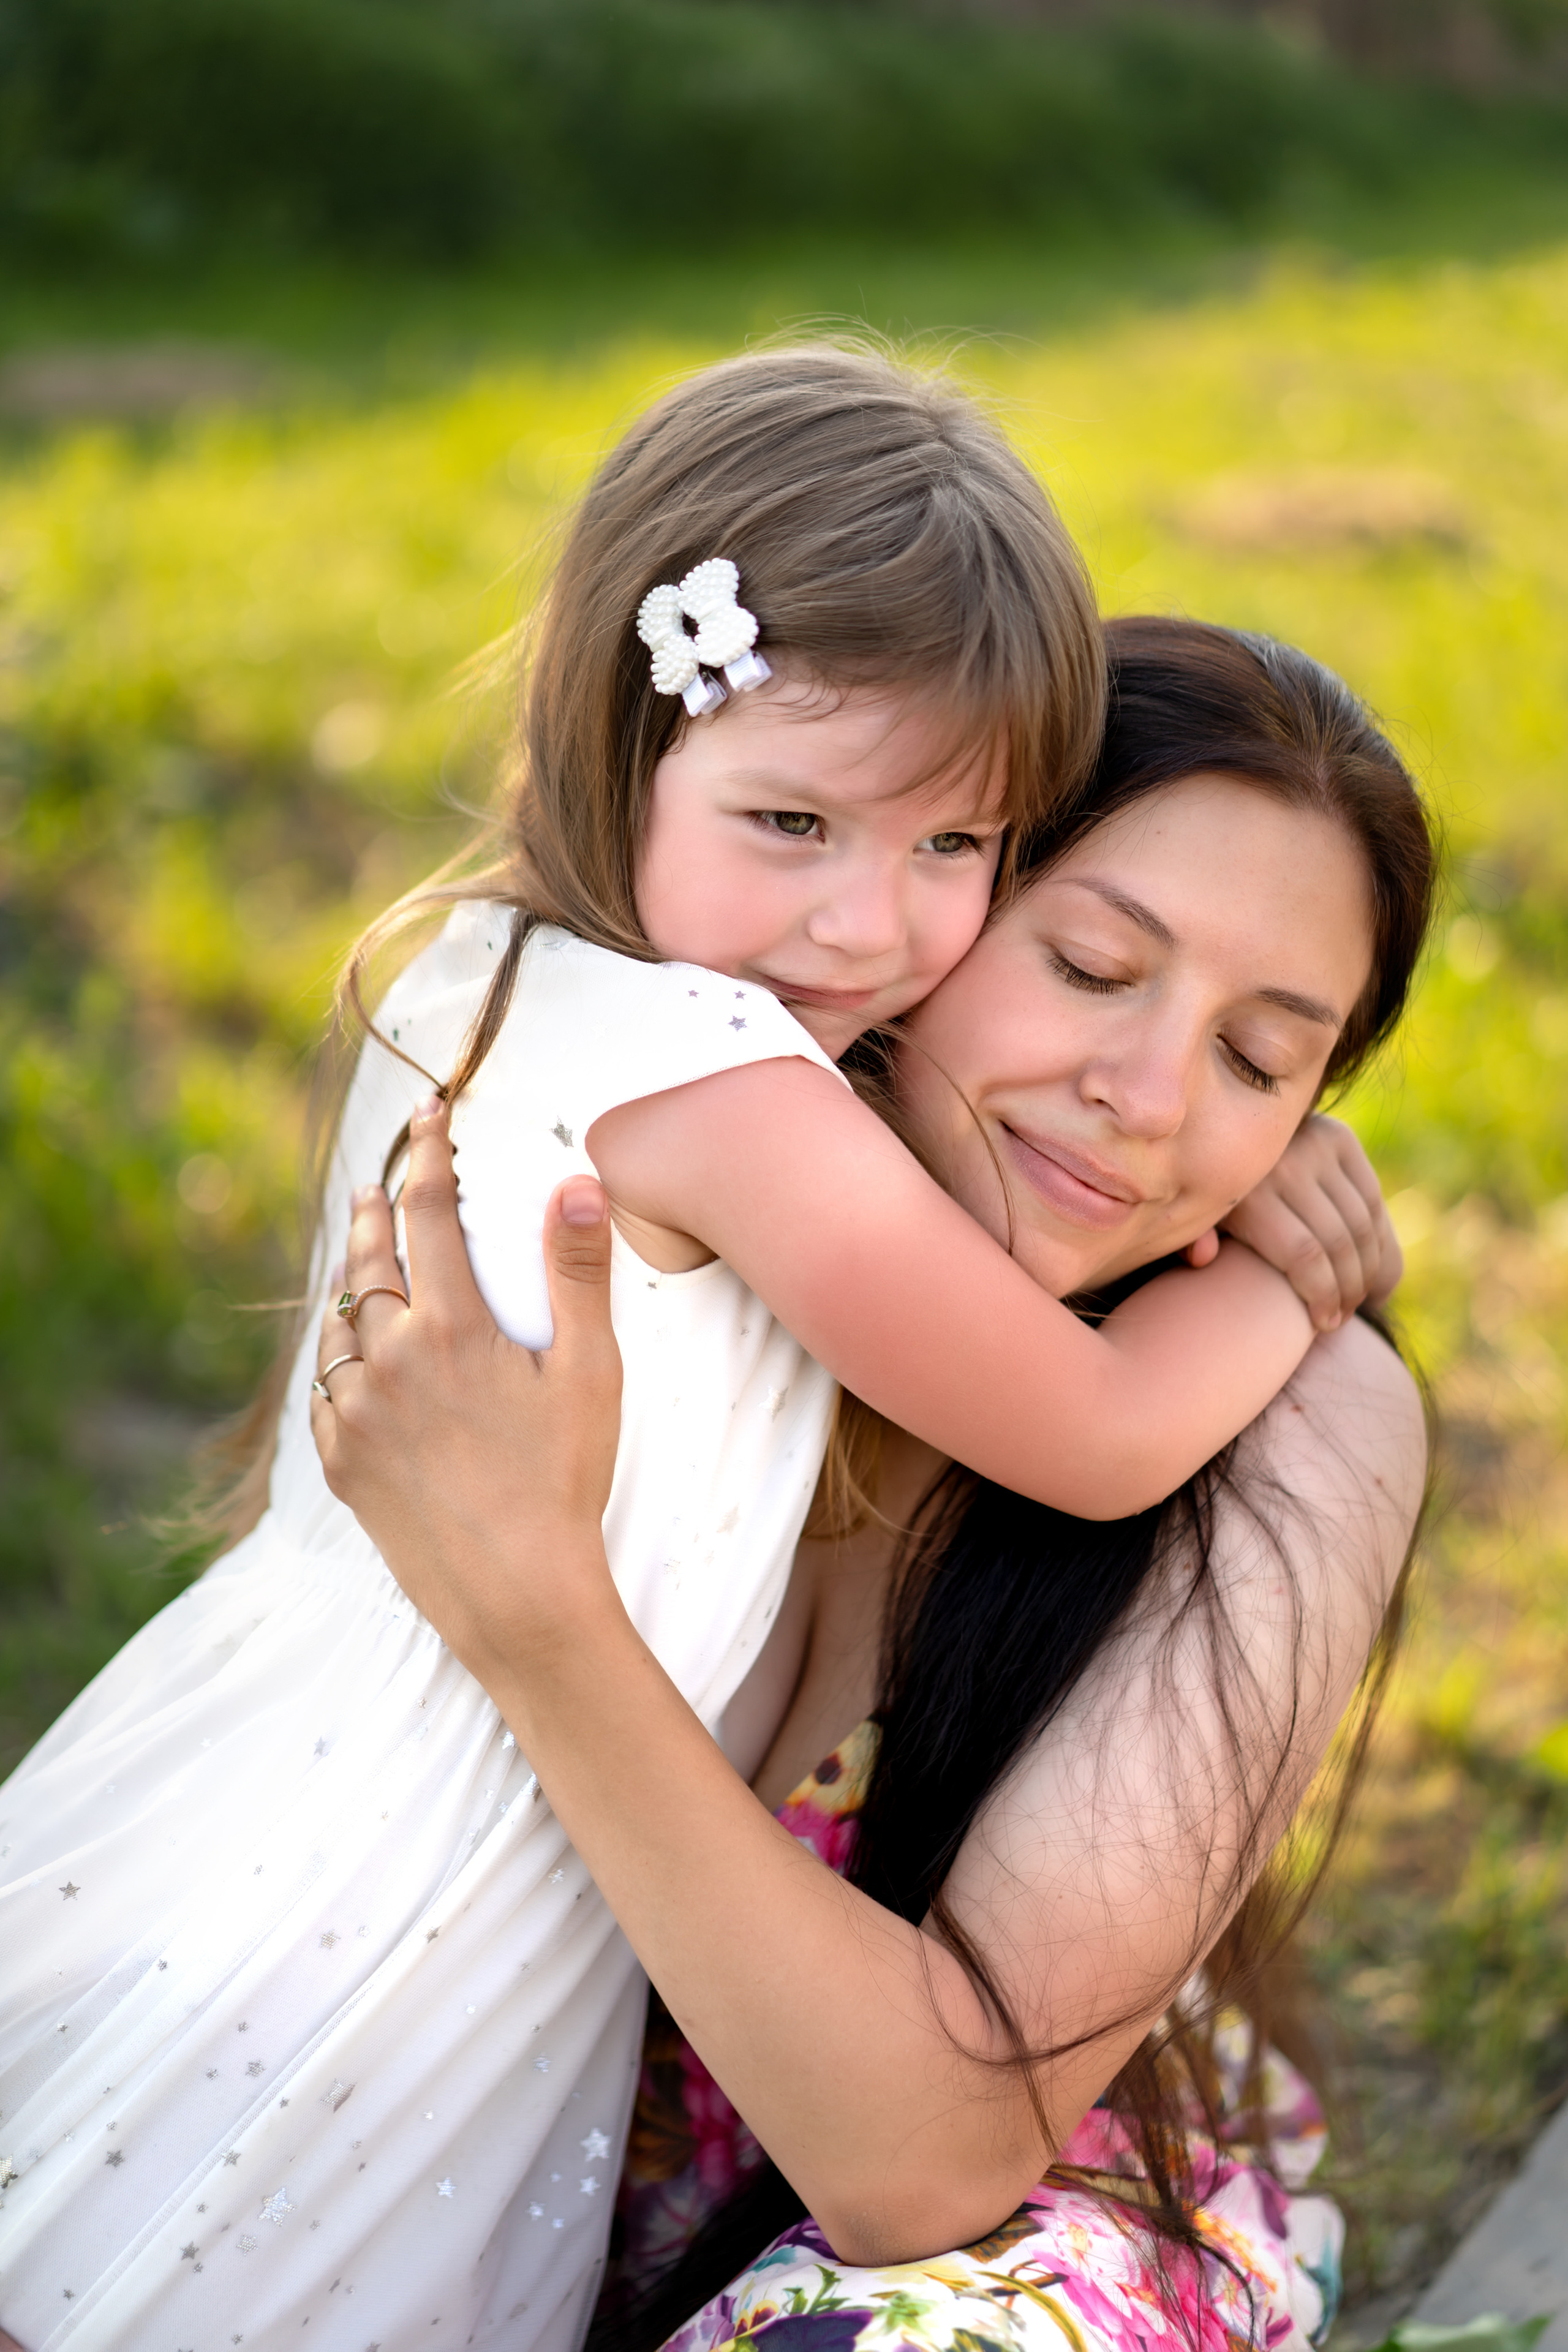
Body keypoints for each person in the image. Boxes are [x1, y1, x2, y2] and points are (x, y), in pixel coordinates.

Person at [0, 355, 1357, 2350]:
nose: (862, 930)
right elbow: (1091, 1429)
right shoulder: (721, 1081)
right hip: (418, 1882)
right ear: (616, 739)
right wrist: (1293, 1280)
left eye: (952, 849)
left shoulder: (466, 967)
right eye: (790, 821)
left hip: (257, 1768)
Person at [306, 618, 1433, 2352]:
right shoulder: (643, 1210)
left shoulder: (1296, 1415)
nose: (1146, 1102)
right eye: (1093, 965)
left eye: (1260, 1061)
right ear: (931, 910)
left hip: (983, 2239)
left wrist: (541, 1617)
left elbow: (925, 2170)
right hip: (483, 2180)